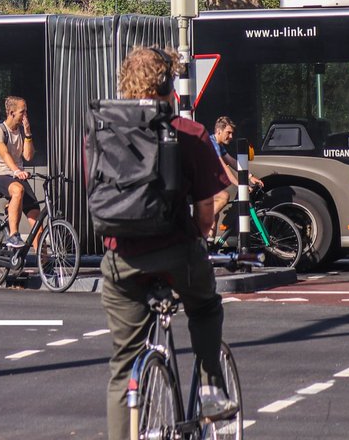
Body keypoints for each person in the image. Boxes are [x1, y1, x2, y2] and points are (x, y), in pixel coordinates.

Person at [98, 46, 235, 439]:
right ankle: (211, 389)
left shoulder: (104, 131)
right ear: (171, 87)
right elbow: (206, 210)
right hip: (178, 252)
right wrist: (200, 236)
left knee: (123, 366)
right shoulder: (190, 133)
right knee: (206, 307)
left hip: (120, 257)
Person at [0, 96, 37, 249]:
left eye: (26, 112)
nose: (25, 116)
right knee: (18, 190)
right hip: (1, 176)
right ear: (11, 112)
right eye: (23, 112)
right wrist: (16, 170)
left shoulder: (21, 132)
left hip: (17, 177)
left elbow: (28, 156)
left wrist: (28, 133)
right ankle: (13, 236)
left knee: (37, 220)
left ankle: (45, 264)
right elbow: (4, 153)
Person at [208, 116, 263, 237]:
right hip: (194, 183)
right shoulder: (211, 143)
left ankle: (208, 248)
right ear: (219, 131)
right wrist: (241, 185)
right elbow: (225, 168)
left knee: (215, 217)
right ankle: (197, 224)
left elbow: (232, 162)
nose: (231, 137)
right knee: (223, 197)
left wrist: (250, 176)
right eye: (228, 133)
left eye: (232, 133)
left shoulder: (218, 145)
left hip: (204, 183)